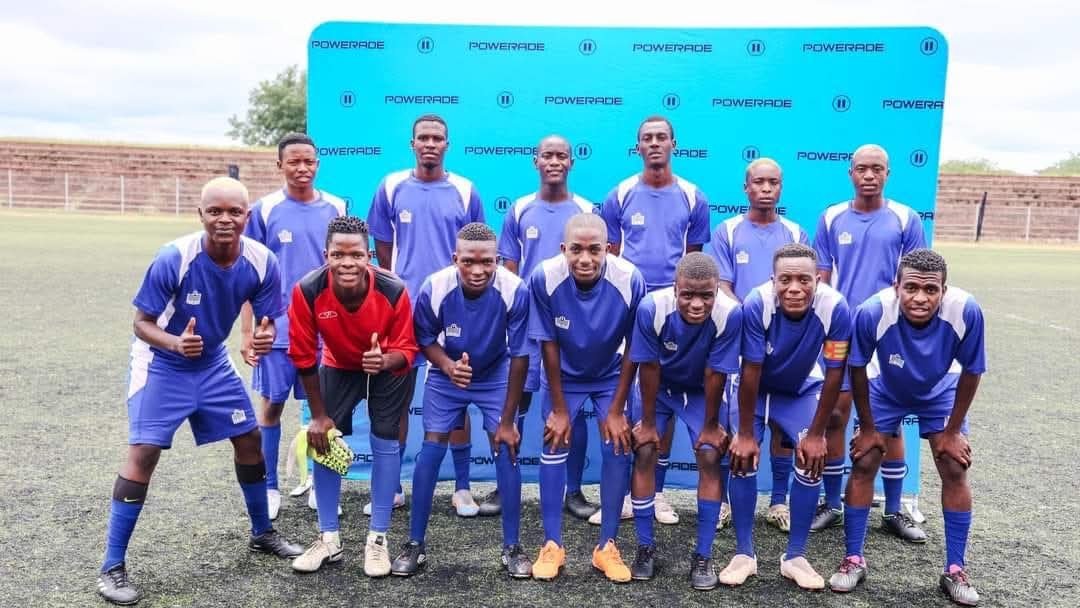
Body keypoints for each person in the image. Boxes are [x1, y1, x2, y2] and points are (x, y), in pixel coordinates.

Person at [96, 177, 302, 606]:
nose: (225, 220)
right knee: (144, 451)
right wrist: (174, 343)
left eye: (234, 212)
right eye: (215, 211)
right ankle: (112, 567)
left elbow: (267, 318)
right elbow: (141, 323)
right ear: (201, 214)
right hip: (162, 364)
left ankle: (262, 533)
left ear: (247, 216)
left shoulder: (263, 260)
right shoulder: (174, 257)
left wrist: (263, 336)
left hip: (211, 365)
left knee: (248, 440)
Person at [828, 249, 985, 607]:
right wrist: (867, 427)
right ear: (896, 286)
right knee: (865, 460)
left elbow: (973, 370)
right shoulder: (872, 311)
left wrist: (953, 430)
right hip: (885, 385)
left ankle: (955, 568)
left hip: (942, 386)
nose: (920, 298)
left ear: (944, 290)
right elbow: (857, 366)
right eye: (911, 287)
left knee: (953, 466)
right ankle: (853, 558)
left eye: (931, 290)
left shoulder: (966, 310)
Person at [390, 223, 532, 578]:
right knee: (432, 447)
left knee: (505, 445)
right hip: (446, 371)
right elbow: (423, 336)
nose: (478, 270)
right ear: (456, 259)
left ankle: (512, 547)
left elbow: (519, 356)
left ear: (498, 260)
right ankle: (414, 544)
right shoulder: (435, 287)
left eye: (487, 262)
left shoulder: (514, 289)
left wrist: (507, 420)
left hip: (496, 373)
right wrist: (447, 365)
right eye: (468, 261)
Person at [287, 217, 418, 578]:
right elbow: (302, 354)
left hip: (386, 367)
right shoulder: (308, 290)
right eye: (338, 254)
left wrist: (385, 359)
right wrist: (318, 416)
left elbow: (408, 349)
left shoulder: (393, 289)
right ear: (325, 254)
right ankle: (329, 538)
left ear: (369, 255)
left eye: (356, 254)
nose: (347, 262)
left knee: (385, 440)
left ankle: (377, 539)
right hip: (338, 364)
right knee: (325, 441)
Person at [368, 114, 485, 517]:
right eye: (423, 137)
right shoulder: (391, 186)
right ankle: (393, 486)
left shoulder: (466, 190)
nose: (430, 143)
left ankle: (464, 488)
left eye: (437, 138)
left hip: (452, 309)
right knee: (396, 401)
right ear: (412, 143)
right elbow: (383, 249)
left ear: (447, 144)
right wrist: (399, 290)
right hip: (401, 311)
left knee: (458, 396)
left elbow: (476, 251)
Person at [811, 144, 928, 542]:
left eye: (877, 169)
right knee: (834, 416)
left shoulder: (904, 219)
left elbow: (917, 280)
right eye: (862, 168)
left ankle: (894, 510)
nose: (869, 175)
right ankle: (832, 503)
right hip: (842, 330)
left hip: (888, 333)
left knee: (888, 424)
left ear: (888, 173)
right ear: (850, 172)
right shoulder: (830, 217)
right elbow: (822, 279)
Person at [600, 114, 711, 526]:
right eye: (647, 138)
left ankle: (658, 493)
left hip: (679, 310)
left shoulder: (693, 196)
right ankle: (634, 491)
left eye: (661, 137)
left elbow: (695, 260)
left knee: (666, 392)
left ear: (673, 143)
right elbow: (611, 253)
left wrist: (684, 300)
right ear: (638, 146)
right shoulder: (621, 194)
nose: (654, 143)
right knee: (636, 397)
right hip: (632, 307)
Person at [720, 243, 851, 591]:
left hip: (801, 386)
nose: (795, 288)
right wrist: (745, 433)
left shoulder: (836, 307)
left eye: (804, 280)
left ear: (818, 279)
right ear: (773, 280)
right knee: (743, 457)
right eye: (786, 280)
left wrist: (818, 433)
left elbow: (835, 372)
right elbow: (749, 370)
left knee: (810, 459)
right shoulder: (756, 303)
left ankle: (795, 556)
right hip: (757, 386)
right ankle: (744, 554)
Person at [528, 213, 646, 582]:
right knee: (553, 445)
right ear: (563, 249)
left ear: (608, 249)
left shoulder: (629, 279)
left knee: (617, 446)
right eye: (576, 250)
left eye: (594, 250)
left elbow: (634, 349)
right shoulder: (544, 277)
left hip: (611, 375)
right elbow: (547, 343)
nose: (585, 259)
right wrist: (560, 409)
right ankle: (551, 544)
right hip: (563, 376)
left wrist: (616, 409)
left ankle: (606, 546)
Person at [613, 252, 741, 589]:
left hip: (701, 390)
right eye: (688, 295)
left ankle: (703, 555)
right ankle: (644, 546)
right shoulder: (651, 308)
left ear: (717, 291)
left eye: (706, 295)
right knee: (643, 452)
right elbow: (649, 367)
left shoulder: (731, 313)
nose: (697, 304)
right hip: (660, 387)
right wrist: (650, 423)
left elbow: (716, 373)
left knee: (711, 455)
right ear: (675, 289)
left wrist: (712, 426)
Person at [241, 132, 346, 519]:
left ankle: (322, 483)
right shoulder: (264, 210)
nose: (302, 169)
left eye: (309, 162)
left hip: (328, 330)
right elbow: (246, 274)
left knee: (327, 410)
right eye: (294, 162)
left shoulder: (337, 206)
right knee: (270, 408)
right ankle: (269, 488)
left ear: (317, 164)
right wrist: (247, 331)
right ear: (280, 164)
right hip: (278, 331)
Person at [705, 157, 811, 533]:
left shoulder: (797, 233)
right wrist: (752, 319)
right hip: (741, 338)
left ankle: (778, 501)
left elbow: (805, 288)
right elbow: (722, 285)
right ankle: (724, 503)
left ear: (781, 187)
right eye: (758, 182)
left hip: (788, 343)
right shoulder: (728, 230)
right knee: (735, 422)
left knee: (783, 429)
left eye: (773, 182)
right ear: (745, 187)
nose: (766, 188)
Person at [496, 134, 597, 520]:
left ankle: (574, 490)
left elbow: (598, 266)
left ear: (572, 162)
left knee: (570, 409)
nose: (554, 161)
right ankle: (507, 488)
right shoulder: (520, 210)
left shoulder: (586, 210)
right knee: (513, 407)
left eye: (561, 156)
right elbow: (509, 272)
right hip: (526, 325)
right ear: (535, 160)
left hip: (571, 326)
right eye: (547, 155)